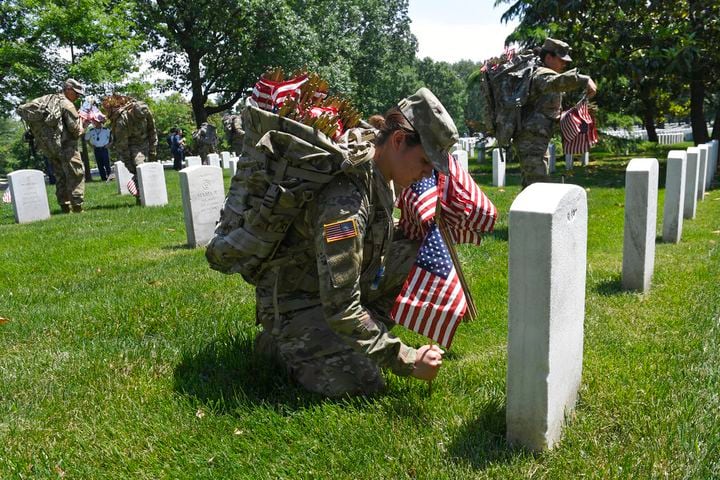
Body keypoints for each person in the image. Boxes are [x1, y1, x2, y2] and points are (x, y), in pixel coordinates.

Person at [251, 88, 452, 397]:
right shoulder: (345, 201)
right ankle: (279, 343)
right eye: (425, 162)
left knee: (419, 252)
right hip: (298, 304)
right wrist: (408, 360)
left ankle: (364, 335)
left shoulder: (379, 170)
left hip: (327, 290)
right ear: (398, 140)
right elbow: (341, 306)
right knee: (363, 381)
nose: (427, 173)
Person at [514, 38, 597, 188]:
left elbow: (545, 110)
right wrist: (584, 79)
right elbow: (555, 82)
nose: (565, 64)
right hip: (530, 142)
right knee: (538, 186)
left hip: (537, 140)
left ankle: (523, 212)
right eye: (561, 59)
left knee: (532, 185)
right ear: (548, 57)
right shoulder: (541, 74)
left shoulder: (544, 74)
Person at [102, 95, 158, 203]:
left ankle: (149, 194)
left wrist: (153, 149)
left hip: (145, 140)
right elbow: (123, 146)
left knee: (150, 167)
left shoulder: (145, 112)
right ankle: (141, 196)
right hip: (131, 145)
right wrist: (129, 164)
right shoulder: (122, 121)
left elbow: (152, 131)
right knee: (139, 166)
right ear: (132, 112)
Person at [49, 79, 87, 212]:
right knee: (76, 174)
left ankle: (64, 206)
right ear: (68, 89)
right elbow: (75, 131)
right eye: (76, 93)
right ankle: (77, 206)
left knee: (60, 176)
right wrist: (83, 125)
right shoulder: (67, 105)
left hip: (53, 147)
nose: (77, 96)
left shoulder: (52, 101)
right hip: (68, 147)